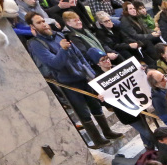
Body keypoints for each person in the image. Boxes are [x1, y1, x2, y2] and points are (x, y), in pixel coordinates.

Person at [25, 11, 120, 147]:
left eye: (43, 21)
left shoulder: (59, 35)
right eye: (39, 23)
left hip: (82, 76)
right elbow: (54, 63)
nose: (44, 25)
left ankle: (107, 132)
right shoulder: (36, 44)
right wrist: (63, 50)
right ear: (32, 27)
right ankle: (97, 139)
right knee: (83, 112)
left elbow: (79, 56)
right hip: (67, 82)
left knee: (96, 106)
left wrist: (91, 74)